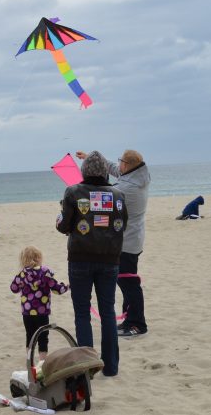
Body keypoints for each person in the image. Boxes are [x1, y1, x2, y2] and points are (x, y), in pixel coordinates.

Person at [56, 151, 128, 377]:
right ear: (105, 171)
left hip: (80, 258)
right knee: (107, 310)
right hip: (109, 258)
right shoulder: (118, 194)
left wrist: (60, 218)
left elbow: (63, 225)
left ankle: (86, 368)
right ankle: (111, 366)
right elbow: (122, 224)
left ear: (84, 170)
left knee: (82, 312)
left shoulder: (74, 192)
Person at [77, 149, 151, 338]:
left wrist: (82, 193)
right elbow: (113, 169)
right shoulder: (135, 176)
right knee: (126, 281)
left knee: (128, 283)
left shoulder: (127, 188)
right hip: (131, 239)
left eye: (120, 162)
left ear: (126, 164)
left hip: (127, 242)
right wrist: (91, 159)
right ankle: (129, 320)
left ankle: (137, 324)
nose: (118, 165)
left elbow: (103, 208)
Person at [10, 246, 69, 361]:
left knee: (30, 336)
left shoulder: (21, 275)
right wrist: (66, 287)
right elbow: (57, 289)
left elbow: (13, 288)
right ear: (39, 258)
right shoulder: (45, 273)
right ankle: (42, 362)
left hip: (27, 312)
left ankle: (30, 361)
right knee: (43, 337)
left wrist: (22, 284)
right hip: (42, 312)